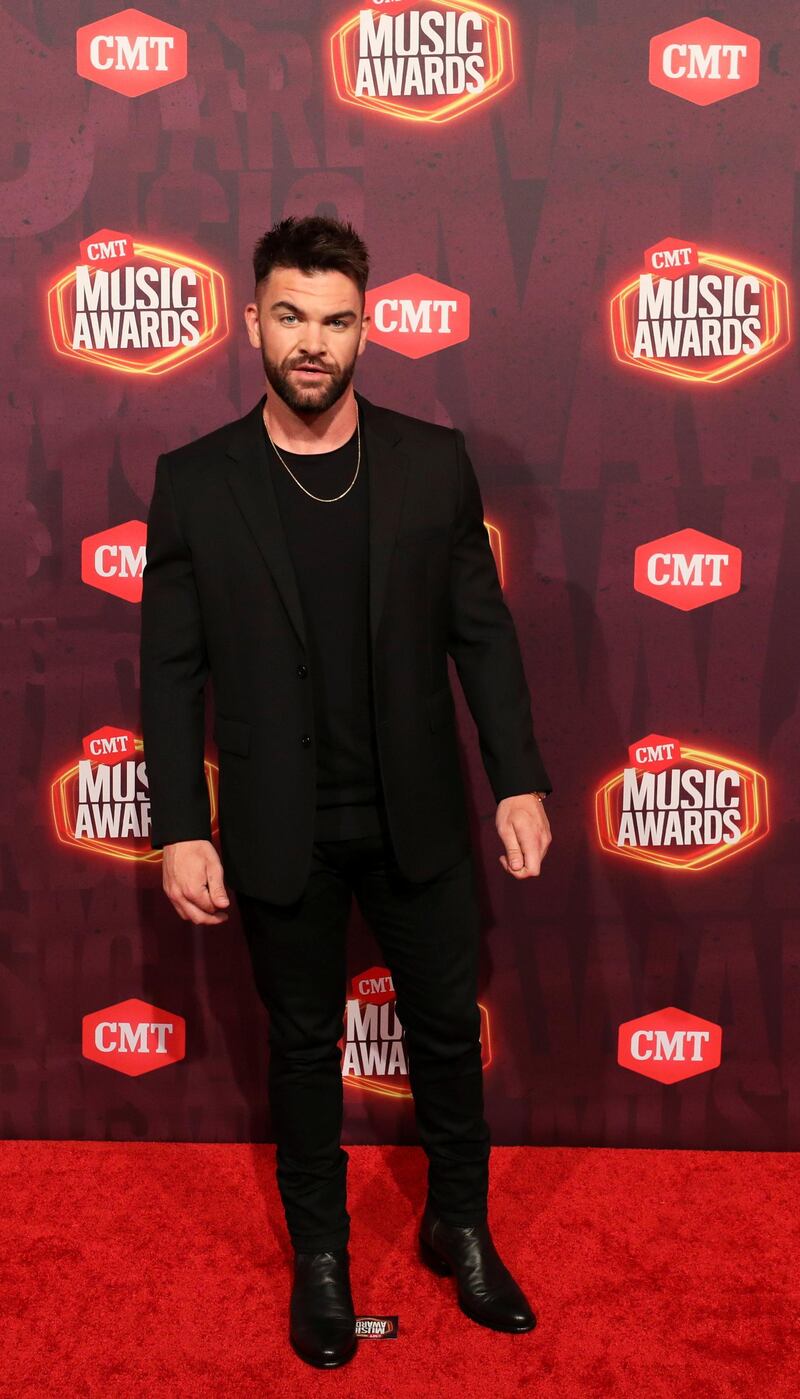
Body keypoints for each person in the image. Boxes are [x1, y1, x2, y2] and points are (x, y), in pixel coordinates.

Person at [139, 215, 553, 1370]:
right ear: (250, 323)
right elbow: (169, 674)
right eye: (290, 317)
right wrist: (180, 824)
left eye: (334, 320)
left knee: (441, 1033)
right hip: (278, 830)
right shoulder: (195, 482)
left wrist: (516, 779)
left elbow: (483, 633)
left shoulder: (429, 461)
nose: (312, 343)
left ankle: (456, 1226)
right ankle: (320, 1255)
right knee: (303, 1046)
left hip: (415, 812)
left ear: (365, 327)